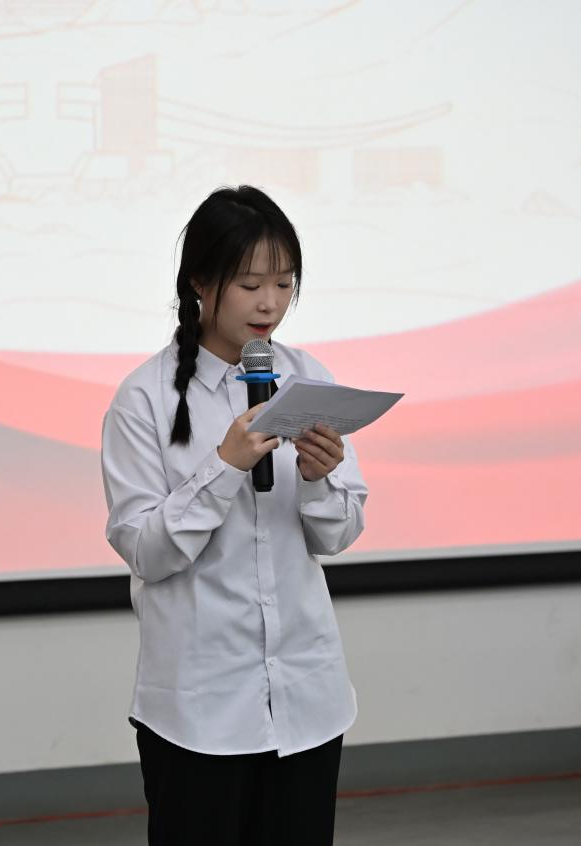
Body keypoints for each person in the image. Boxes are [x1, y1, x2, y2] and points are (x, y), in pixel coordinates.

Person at [100, 185, 369, 845]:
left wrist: (318, 479)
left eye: (284, 283)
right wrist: (223, 466)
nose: (269, 303)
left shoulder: (308, 379)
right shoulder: (143, 399)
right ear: (200, 281)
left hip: (306, 697)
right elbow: (147, 552)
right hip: (199, 710)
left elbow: (337, 534)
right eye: (249, 284)